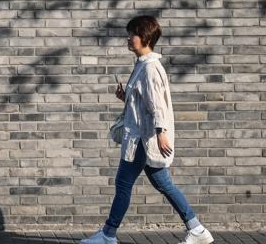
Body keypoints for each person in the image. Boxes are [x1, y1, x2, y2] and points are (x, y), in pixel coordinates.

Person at [81, 16, 214, 244]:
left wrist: (161, 133)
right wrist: (127, 97)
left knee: (123, 184)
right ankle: (197, 229)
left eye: (132, 34)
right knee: (163, 184)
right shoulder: (142, 64)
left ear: (144, 38)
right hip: (143, 136)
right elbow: (145, 102)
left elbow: (157, 106)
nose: (128, 38)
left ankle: (108, 234)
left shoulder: (150, 68)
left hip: (144, 138)